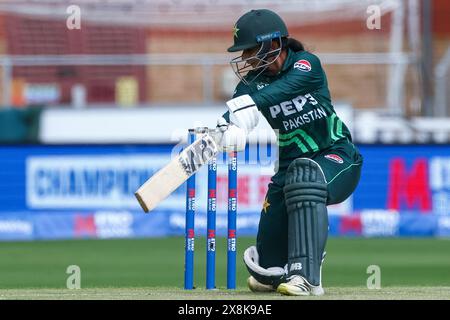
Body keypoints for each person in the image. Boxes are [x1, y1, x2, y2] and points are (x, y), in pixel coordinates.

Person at [216, 9, 363, 296]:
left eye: (250, 50)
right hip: (288, 170)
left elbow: (284, 89)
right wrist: (227, 127)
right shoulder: (249, 85)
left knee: (305, 176)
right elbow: (234, 112)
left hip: (337, 156)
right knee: (269, 265)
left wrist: (250, 104)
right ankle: (281, 271)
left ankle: (307, 277)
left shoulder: (307, 64)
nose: (245, 59)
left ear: (274, 44)